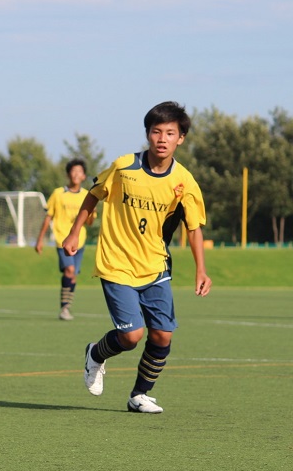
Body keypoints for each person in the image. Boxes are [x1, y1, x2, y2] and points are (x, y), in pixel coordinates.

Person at [62, 101, 212, 414]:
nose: (162, 138)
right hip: (116, 263)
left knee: (162, 335)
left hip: (155, 265)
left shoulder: (184, 181)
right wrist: (75, 232)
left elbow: (194, 227)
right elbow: (94, 194)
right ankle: (96, 354)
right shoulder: (124, 167)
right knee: (131, 336)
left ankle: (139, 395)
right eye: (156, 131)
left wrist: (201, 269)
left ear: (181, 138)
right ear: (147, 134)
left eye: (170, 133)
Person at [34, 158, 96, 321]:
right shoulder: (58, 193)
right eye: (73, 171)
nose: (76, 174)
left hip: (80, 240)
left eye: (79, 172)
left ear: (84, 176)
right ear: (68, 174)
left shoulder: (87, 195)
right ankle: (64, 308)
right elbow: (48, 217)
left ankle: (66, 306)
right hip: (62, 239)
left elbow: (90, 222)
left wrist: (91, 213)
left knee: (73, 275)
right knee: (69, 270)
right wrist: (39, 240)